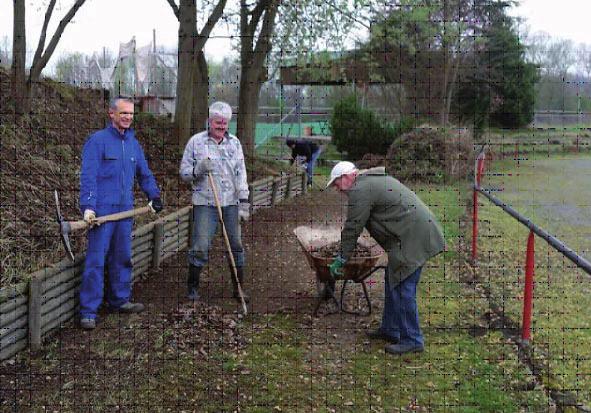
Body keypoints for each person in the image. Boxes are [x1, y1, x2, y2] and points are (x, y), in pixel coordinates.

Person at [326, 162, 445, 355]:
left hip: (412, 236)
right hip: (411, 233)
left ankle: (412, 339)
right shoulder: (369, 183)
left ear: (347, 177)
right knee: (393, 280)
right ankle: (390, 329)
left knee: (403, 288)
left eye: (337, 184)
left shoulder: (361, 189)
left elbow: (353, 227)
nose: (337, 189)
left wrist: (341, 257)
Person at [79, 97, 163, 330]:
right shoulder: (98, 141)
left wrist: (153, 196)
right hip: (103, 213)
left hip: (125, 210)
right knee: (96, 259)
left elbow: (144, 174)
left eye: (131, 114)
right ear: (111, 114)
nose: (127, 117)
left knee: (122, 256)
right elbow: (89, 176)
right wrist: (88, 206)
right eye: (123, 113)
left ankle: (119, 300)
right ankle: (88, 311)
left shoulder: (133, 144)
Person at [179, 101, 250, 303]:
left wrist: (244, 201)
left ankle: (239, 288)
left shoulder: (235, 143)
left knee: (235, 245)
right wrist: (199, 169)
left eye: (225, 123)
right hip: (205, 202)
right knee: (200, 245)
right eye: (218, 122)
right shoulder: (196, 142)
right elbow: (184, 173)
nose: (221, 126)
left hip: (231, 202)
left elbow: (241, 173)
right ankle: (192, 288)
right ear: (209, 121)